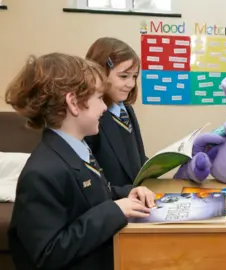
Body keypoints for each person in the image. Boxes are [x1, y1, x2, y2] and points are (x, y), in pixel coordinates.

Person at [5, 53, 156, 270]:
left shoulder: (78, 150)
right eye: (98, 98)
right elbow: (48, 254)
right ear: (74, 103)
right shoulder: (42, 172)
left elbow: (90, 198)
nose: (105, 107)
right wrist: (114, 211)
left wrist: (126, 193)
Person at [85, 37, 147, 187]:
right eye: (124, 76)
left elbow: (136, 157)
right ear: (99, 73)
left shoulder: (127, 110)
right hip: (114, 201)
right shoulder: (91, 118)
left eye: (134, 77)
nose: (131, 84)